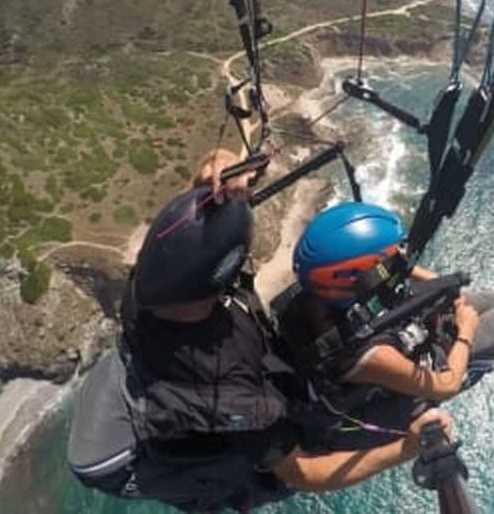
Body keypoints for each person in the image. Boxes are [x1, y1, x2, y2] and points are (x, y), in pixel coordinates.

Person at [67, 149, 452, 513]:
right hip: (115, 460)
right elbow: (304, 473)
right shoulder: (228, 390)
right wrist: (405, 448)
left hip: (122, 390)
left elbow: (180, 232)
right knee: (250, 474)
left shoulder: (150, 291)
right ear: (223, 278)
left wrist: (210, 182)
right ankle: (233, 491)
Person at [274, 201, 494, 447]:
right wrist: (465, 332)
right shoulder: (363, 355)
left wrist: (443, 289)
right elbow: (444, 385)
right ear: (359, 278)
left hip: (409, 329)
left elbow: (401, 270)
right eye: (385, 261)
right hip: (432, 360)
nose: (396, 263)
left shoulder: (323, 293)